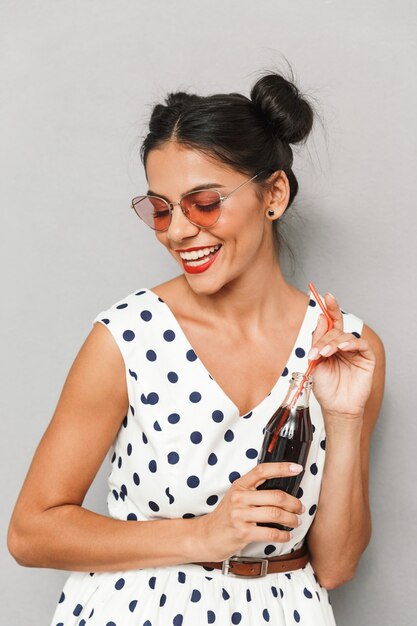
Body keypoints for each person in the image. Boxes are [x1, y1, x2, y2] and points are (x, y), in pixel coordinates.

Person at [8, 71, 385, 626]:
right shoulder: (127, 336)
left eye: (203, 203)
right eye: (161, 209)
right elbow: (30, 532)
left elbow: (335, 566)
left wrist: (346, 417)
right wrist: (204, 535)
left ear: (273, 194)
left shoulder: (343, 346)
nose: (177, 231)